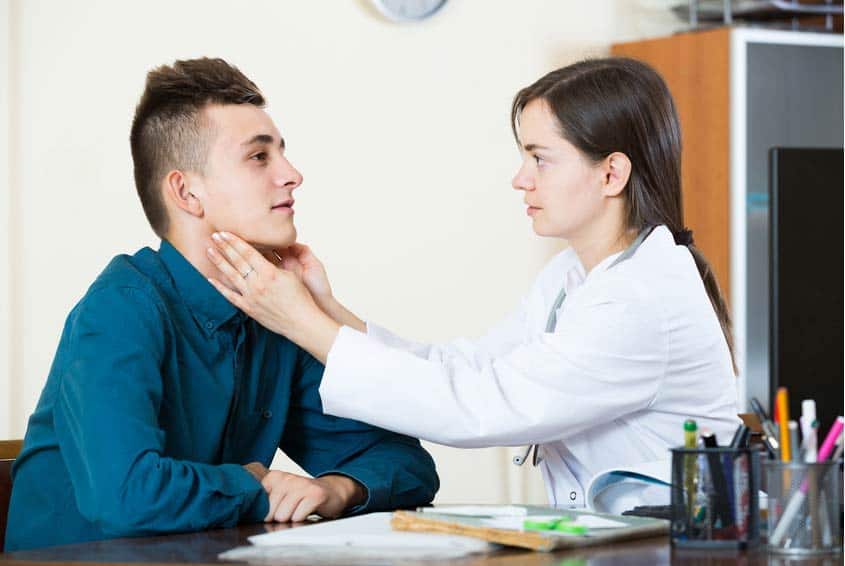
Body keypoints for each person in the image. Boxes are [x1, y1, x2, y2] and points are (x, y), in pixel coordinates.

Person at [204, 58, 739, 512]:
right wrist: (328, 309)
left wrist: (298, 321)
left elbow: (478, 405)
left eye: (540, 158)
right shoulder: (572, 276)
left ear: (611, 174)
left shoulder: (641, 300)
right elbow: (470, 367)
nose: (521, 178)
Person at [5, 58, 438, 552]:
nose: (292, 175)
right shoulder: (119, 310)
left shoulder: (268, 312)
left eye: (282, 154)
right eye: (259, 157)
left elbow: (405, 463)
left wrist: (333, 489)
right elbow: (126, 496)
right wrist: (251, 484)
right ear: (187, 192)